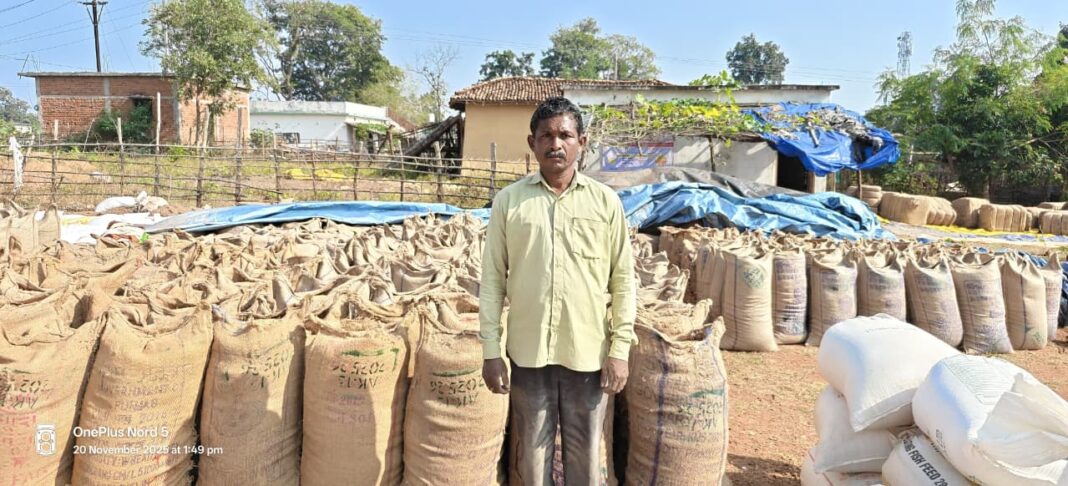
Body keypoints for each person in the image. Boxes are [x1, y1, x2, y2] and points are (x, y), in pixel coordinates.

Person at [479, 96, 636, 485]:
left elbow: (623, 281)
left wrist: (619, 351)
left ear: (581, 142)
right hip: (528, 354)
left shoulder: (606, 203)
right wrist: (491, 351)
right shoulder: (509, 203)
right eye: (546, 135)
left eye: (565, 134)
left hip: (586, 353)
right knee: (532, 457)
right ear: (531, 142)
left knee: (585, 458)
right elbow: (493, 280)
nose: (556, 143)